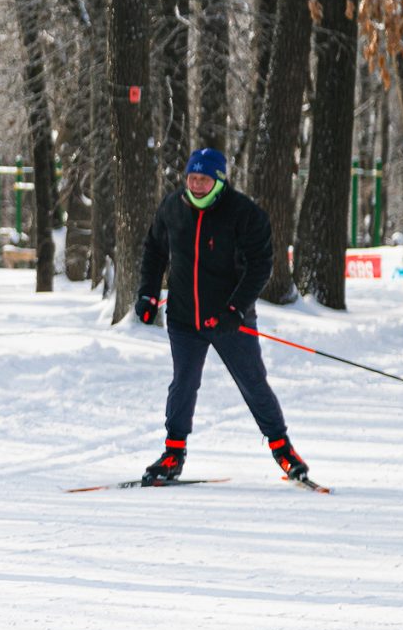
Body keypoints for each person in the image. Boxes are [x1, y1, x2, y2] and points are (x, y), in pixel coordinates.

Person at [133, 147, 311, 485]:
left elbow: (261, 265)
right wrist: (148, 293)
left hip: (228, 319)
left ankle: (283, 450)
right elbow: (154, 251)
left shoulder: (243, 213)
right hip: (184, 318)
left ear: (218, 180)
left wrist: (236, 308)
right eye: (191, 178)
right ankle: (173, 453)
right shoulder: (172, 207)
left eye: (203, 179)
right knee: (183, 383)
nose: (196, 185)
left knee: (252, 382)